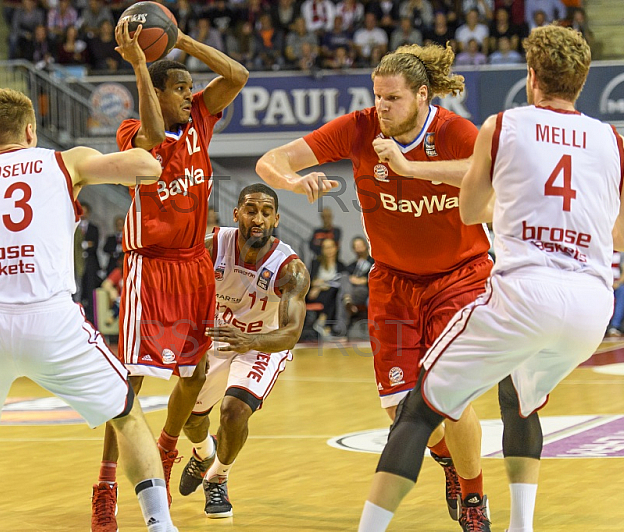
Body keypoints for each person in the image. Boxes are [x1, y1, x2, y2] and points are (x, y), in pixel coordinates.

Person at [357, 25, 624, 532]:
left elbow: (470, 211)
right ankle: (521, 526)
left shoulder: (504, 125)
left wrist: (509, 205)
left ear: (531, 77)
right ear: (583, 81)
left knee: (419, 410)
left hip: (525, 292)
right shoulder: (615, 141)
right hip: (590, 308)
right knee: (519, 396)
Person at [0, 87, 178, 532]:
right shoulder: (63, 162)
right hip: (48, 318)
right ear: (31, 130)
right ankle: (160, 525)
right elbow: (147, 168)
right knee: (125, 415)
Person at [257, 42, 490, 530]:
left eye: (394, 98)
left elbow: (492, 176)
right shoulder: (360, 127)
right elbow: (270, 160)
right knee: (398, 407)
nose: (382, 107)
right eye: (378, 96)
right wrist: (293, 183)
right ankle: (448, 461)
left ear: (423, 95)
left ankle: (474, 500)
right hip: (392, 280)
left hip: (459, 277)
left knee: (452, 395)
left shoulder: (454, 132)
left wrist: (410, 169)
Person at [90, 18, 248, 531]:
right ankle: (108, 484)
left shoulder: (201, 118)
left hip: (194, 265)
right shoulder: (131, 131)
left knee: (195, 373)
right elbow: (154, 134)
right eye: (178, 88)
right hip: (150, 266)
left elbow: (238, 74)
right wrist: (140, 63)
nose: (189, 94)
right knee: (129, 382)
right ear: (155, 92)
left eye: (188, 87)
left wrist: (180, 43)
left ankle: (163, 448)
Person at [177, 184, 309, 518]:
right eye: (251, 210)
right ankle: (203, 452)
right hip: (218, 336)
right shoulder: (211, 247)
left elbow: (291, 333)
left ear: (276, 219)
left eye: (266, 212)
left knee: (234, 412)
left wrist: (250, 342)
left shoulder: (289, 269)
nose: (258, 218)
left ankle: (218, 477)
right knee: (189, 419)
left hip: (263, 343)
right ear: (236, 214)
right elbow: (182, 291)